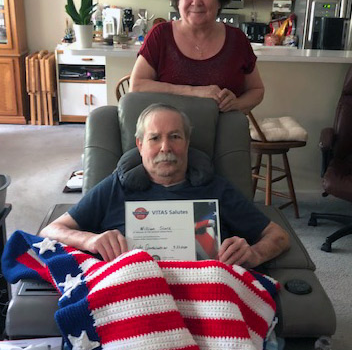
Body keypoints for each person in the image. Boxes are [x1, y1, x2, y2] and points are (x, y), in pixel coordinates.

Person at [40, 104, 289, 265]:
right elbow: (51, 231)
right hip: (132, 293)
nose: (165, 147)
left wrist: (254, 254)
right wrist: (90, 241)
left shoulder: (216, 189)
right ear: (140, 145)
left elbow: (278, 236)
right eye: (155, 138)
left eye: (175, 137)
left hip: (203, 292)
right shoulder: (116, 186)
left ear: (187, 143)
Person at [129, 0, 264, 114]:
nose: (196, 2)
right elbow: (136, 86)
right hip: (168, 136)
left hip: (222, 135)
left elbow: (257, 90)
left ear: (219, 0)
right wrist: (194, 92)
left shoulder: (237, 40)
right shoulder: (160, 35)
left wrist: (237, 104)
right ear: (177, 0)